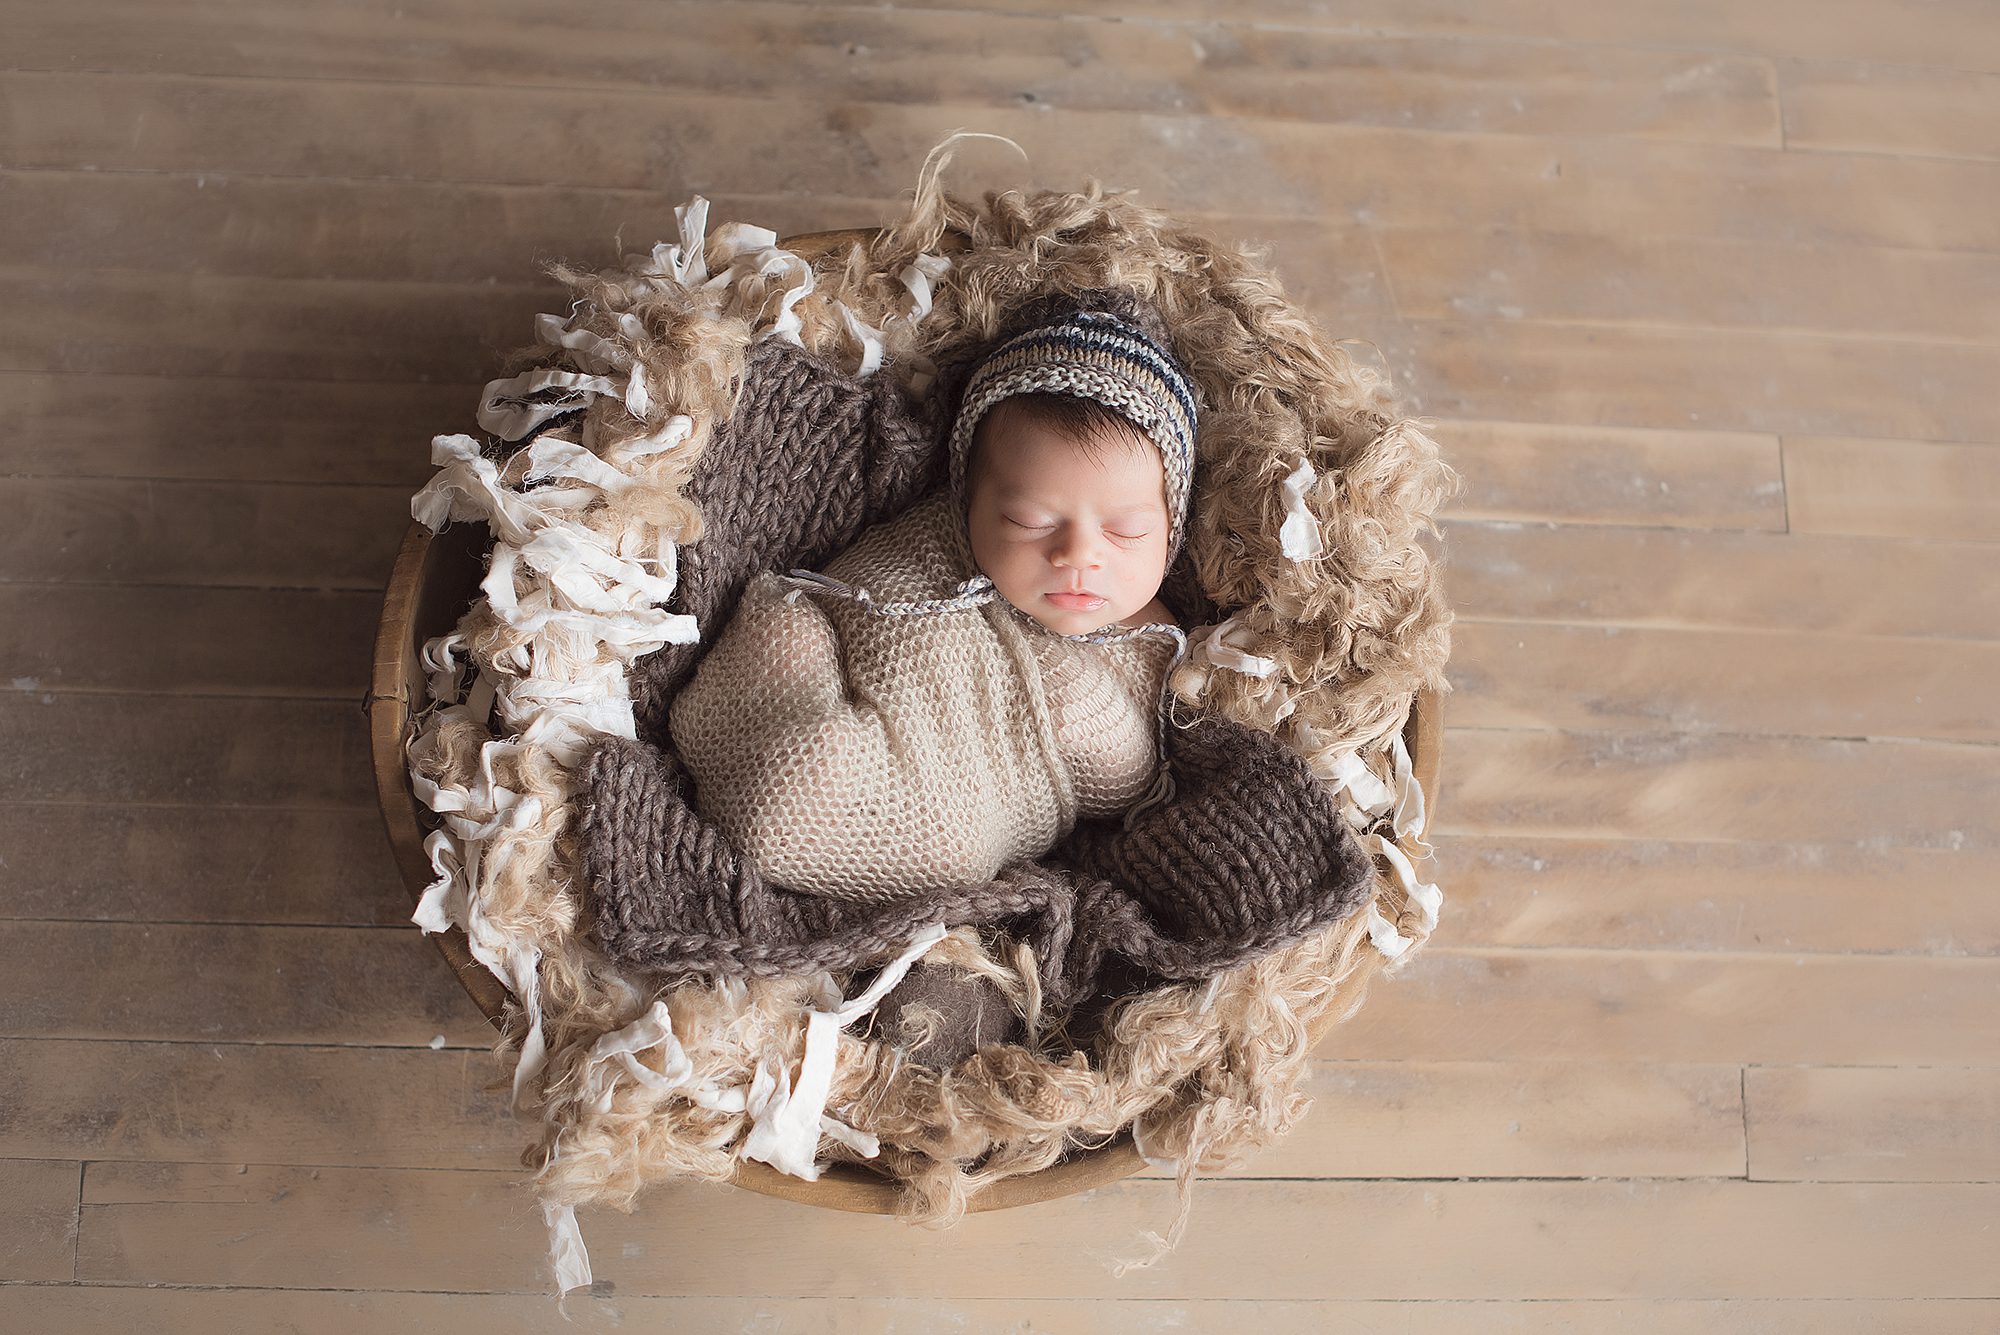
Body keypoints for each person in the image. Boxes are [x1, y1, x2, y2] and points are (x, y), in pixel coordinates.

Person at [666, 308, 1198, 900]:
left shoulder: (1155, 642)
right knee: (782, 625)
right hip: (834, 678)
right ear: (966, 498)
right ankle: (761, 764)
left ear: (1172, 531)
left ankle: (785, 802)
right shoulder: (935, 535)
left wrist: (1075, 693)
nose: (1077, 554)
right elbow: (856, 585)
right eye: (1028, 521)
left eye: (1125, 532)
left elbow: (1129, 780)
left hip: (951, 802)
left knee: (954, 848)